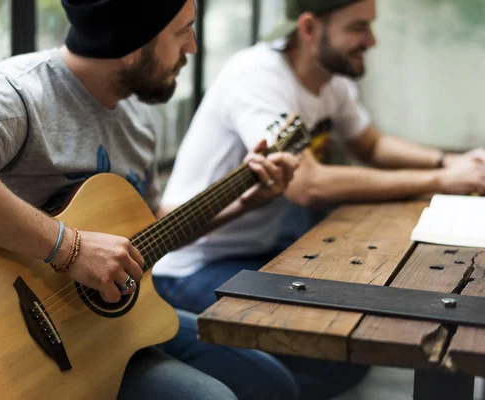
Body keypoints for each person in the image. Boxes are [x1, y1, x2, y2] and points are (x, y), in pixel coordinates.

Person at [0, 0, 302, 399]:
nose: (192, 47)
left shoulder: (137, 117)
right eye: (183, 31)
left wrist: (246, 199)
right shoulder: (20, 91)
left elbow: (146, 229)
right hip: (12, 340)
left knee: (273, 383)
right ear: (129, 46)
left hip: (107, 325)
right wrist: (71, 248)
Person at [151, 0, 485, 398]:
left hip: (261, 249)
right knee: (335, 356)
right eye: (359, 28)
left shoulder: (332, 79)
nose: (371, 40)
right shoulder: (256, 77)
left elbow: (372, 146)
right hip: (190, 265)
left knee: (354, 342)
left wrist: (450, 161)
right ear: (309, 28)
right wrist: (443, 178)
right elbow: (307, 185)